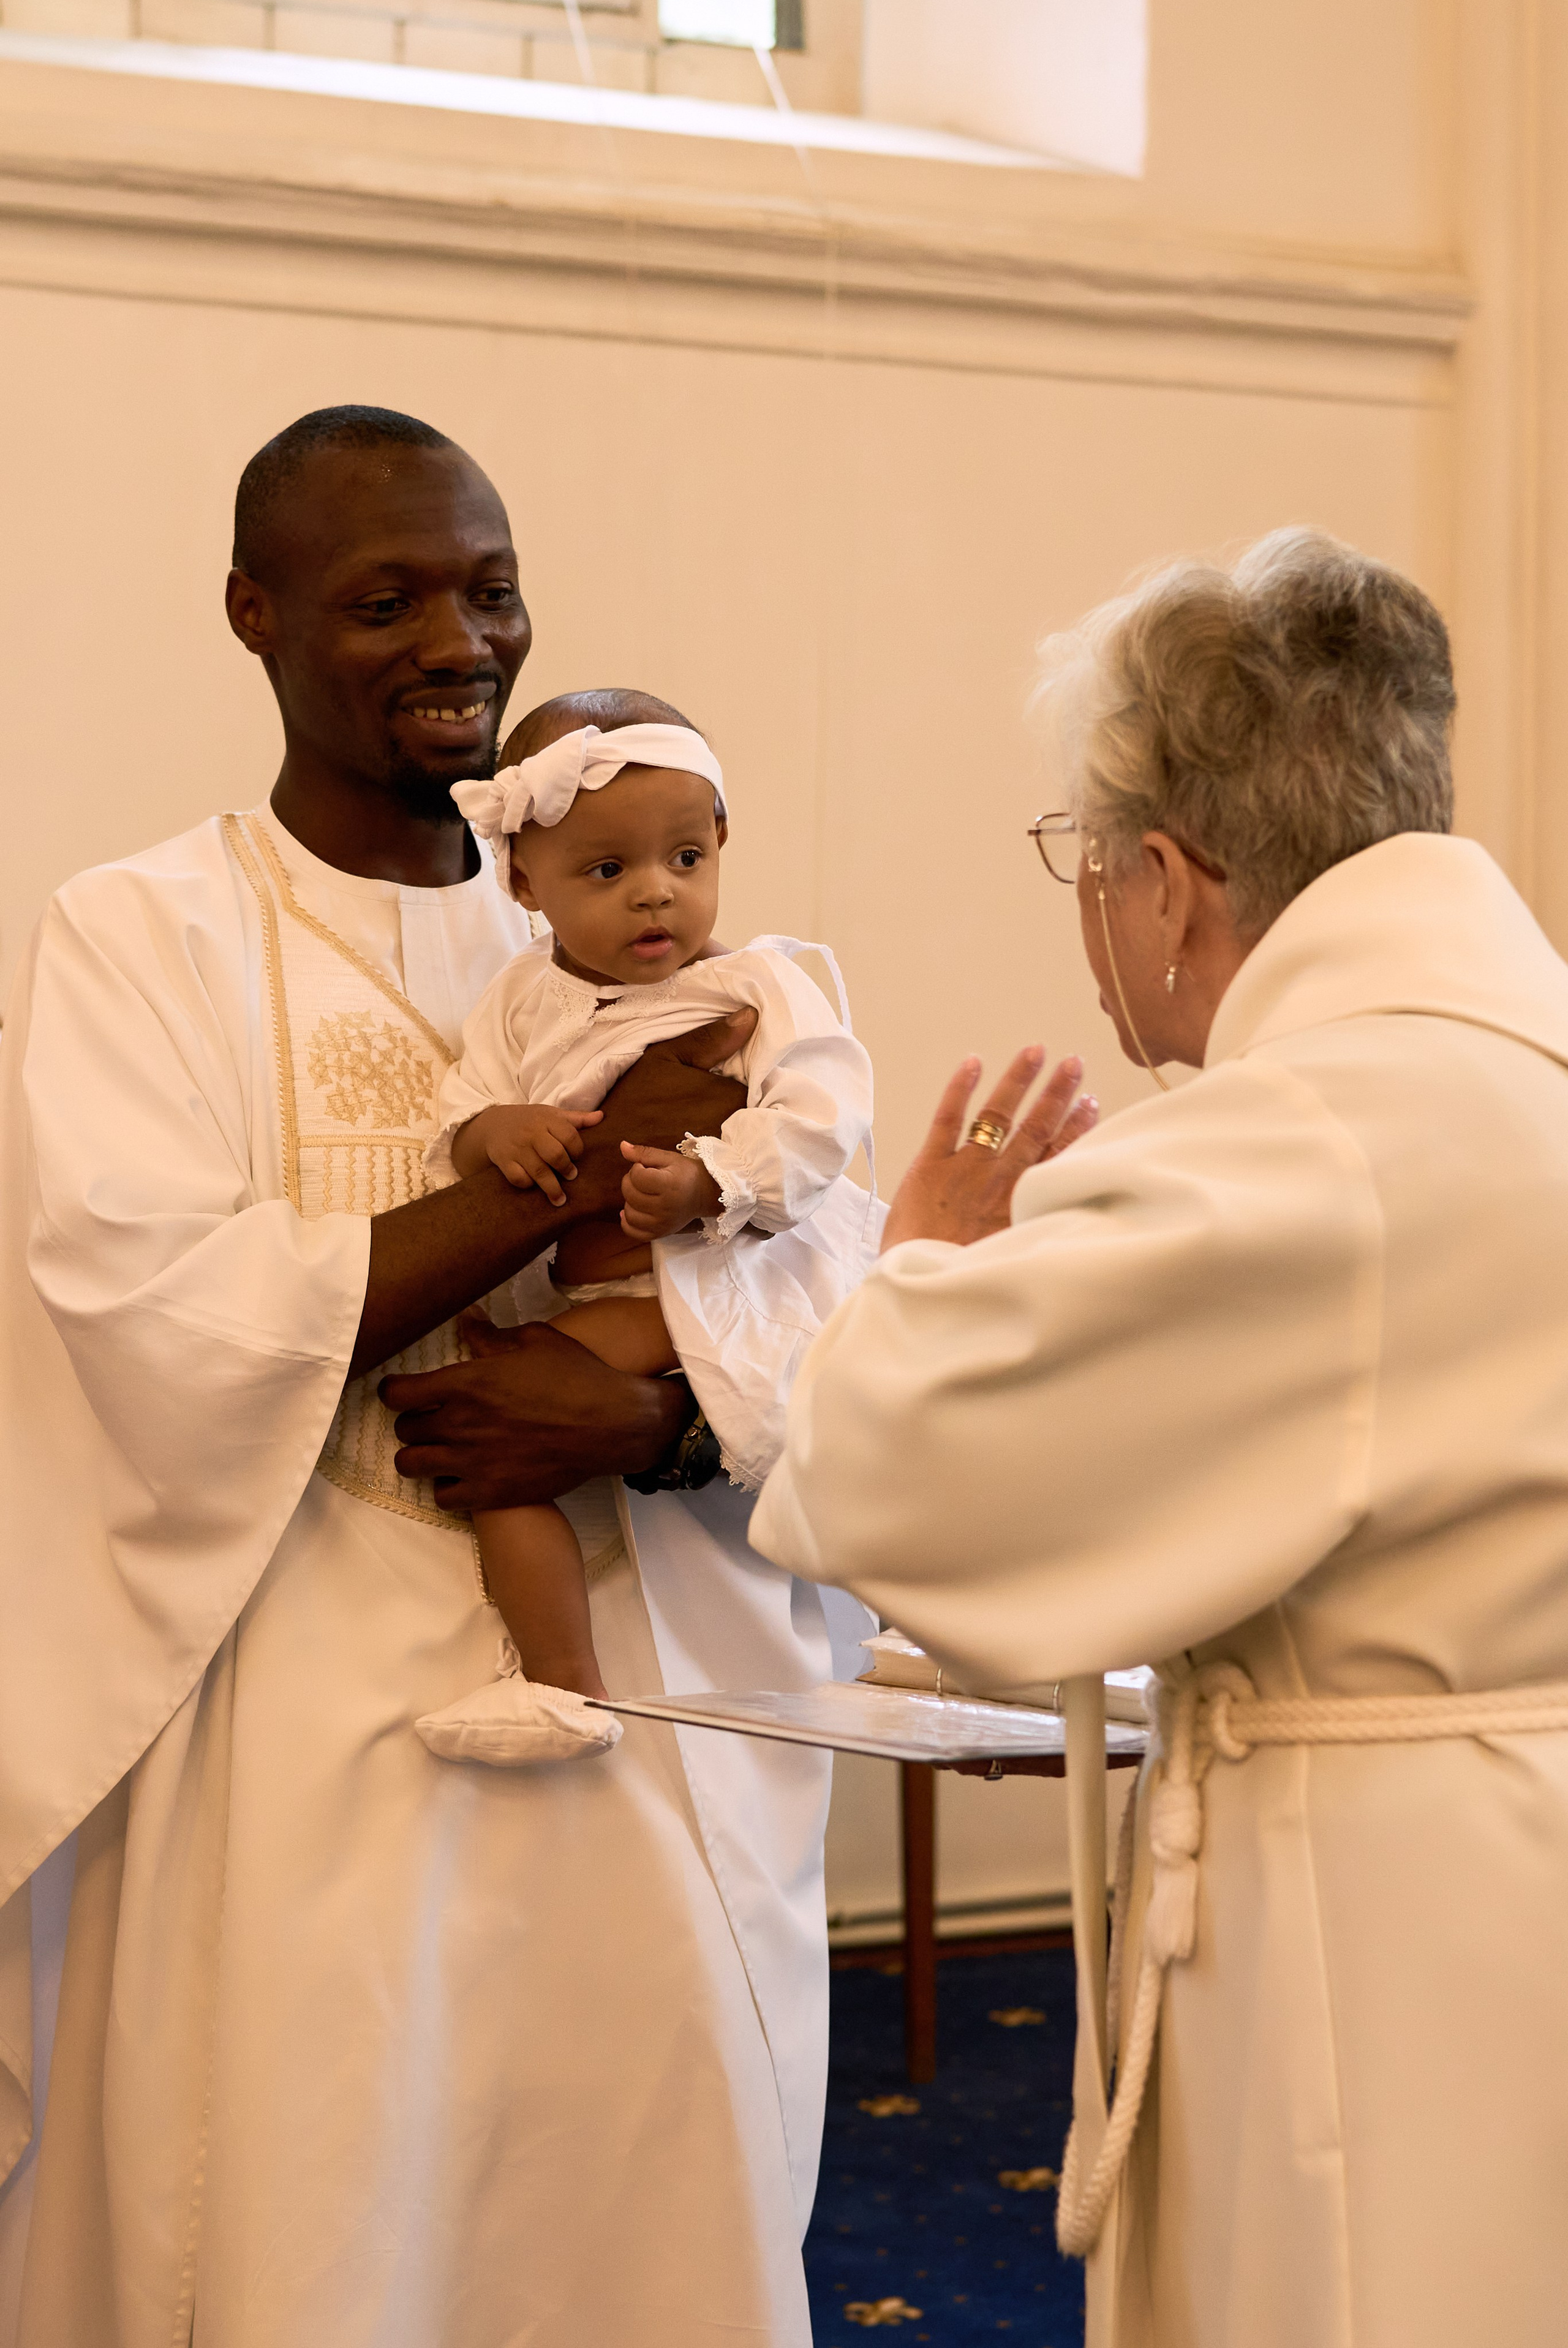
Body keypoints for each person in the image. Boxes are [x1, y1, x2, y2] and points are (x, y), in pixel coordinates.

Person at [0, 404, 869, 2347]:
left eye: (489, 592)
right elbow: (147, 1310)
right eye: (385, 599)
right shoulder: (143, 931)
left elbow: (808, 1274)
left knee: (635, 2212)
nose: (457, 641)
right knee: (326, 2213)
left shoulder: (613, 902)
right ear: (254, 612)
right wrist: (585, 1152)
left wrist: (647, 1412)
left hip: (624, 1683)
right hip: (291, 1695)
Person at [752, 528, 1568, 2348]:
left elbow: (889, 1454)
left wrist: (920, 1267)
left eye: (1080, 863)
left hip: (1387, 1926)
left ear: (1171, 880)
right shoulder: (1524, 1060)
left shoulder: (1306, 1138)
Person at [414, 686, 875, 1765]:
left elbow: (824, 1110)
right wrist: (499, 1132)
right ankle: (559, 1681)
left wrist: (716, 1180)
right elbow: (458, 1120)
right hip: (597, 1284)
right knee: (501, 1448)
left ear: (721, 842)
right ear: (525, 882)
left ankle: (562, 1685)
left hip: (714, 1281)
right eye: (607, 872)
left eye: (684, 858)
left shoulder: (755, 983)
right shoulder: (519, 1000)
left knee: (505, 1442)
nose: (655, 897)